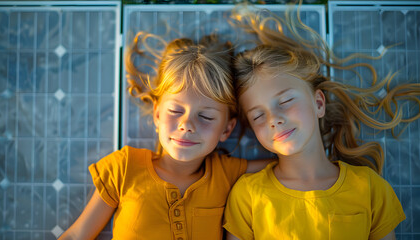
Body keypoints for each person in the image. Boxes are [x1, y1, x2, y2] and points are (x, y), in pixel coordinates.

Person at [223, 4, 420, 240]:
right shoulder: (247, 195)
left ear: (318, 103)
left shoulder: (370, 189)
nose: (274, 119)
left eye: (285, 101)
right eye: (258, 116)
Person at [58, 32, 272, 240]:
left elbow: (285, 167)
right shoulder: (124, 169)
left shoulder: (225, 174)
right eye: (176, 111)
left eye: (206, 116)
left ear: (227, 129)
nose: (186, 125)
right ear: (157, 114)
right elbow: (78, 235)